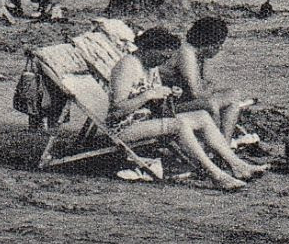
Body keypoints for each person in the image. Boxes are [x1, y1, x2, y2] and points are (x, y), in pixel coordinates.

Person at [107, 27, 265, 191]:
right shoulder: (127, 66)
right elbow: (117, 110)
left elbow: (155, 102)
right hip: (123, 127)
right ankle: (216, 176)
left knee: (202, 116)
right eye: (162, 56)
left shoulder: (150, 65)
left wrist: (169, 95)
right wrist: (148, 95)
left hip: (147, 121)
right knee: (179, 125)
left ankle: (238, 165)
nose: (162, 62)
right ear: (149, 49)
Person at [161, 17, 253, 142]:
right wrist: (210, 88)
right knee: (210, 104)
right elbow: (196, 93)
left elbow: (200, 86)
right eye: (218, 44)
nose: (219, 49)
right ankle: (217, 145)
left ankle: (225, 143)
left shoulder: (196, 54)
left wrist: (208, 88)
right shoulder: (186, 53)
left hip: (179, 100)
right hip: (168, 106)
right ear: (209, 43)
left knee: (232, 94)